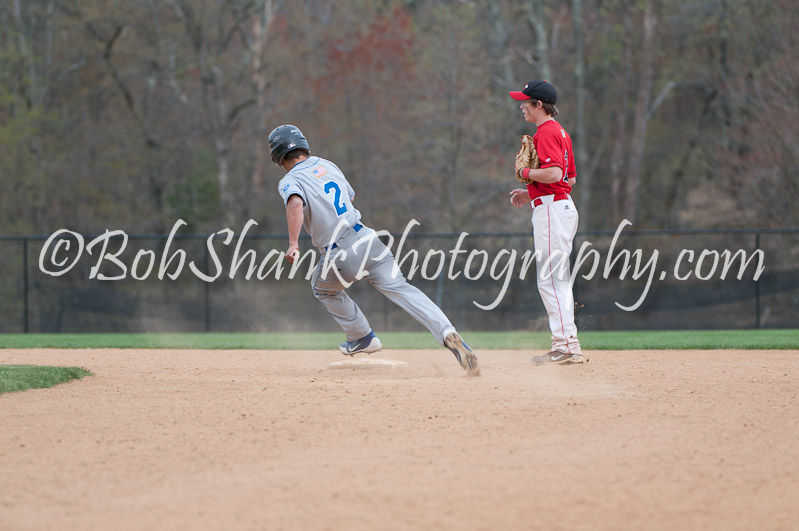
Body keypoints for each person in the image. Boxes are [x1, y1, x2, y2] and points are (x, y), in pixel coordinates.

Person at [268, 124, 480, 376]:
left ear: (278, 156)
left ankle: (362, 337)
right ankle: (447, 331)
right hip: (369, 239)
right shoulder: (327, 164)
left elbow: (295, 203)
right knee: (402, 289)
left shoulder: (290, 180)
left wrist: (293, 244)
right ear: (303, 146)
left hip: (340, 251)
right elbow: (350, 197)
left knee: (322, 288)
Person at [508, 80, 585, 365]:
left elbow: (553, 174)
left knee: (552, 280)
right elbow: (569, 179)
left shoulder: (546, 132)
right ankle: (566, 345)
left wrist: (525, 173)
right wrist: (531, 193)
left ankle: (566, 346)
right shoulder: (560, 132)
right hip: (559, 206)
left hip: (553, 211)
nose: (522, 106)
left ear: (539, 104)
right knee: (555, 278)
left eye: (525, 102)